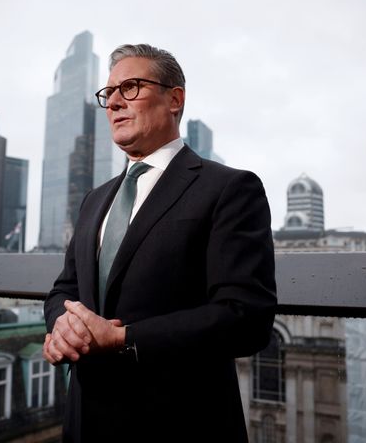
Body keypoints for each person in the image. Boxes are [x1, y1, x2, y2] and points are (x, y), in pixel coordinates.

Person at [43, 43, 277, 442]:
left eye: (130, 87)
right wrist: (61, 326)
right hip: (85, 423)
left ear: (175, 99)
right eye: (109, 93)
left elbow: (246, 318)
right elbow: (65, 289)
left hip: (179, 423)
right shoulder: (94, 200)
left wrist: (123, 338)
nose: (114, 102)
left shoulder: (229, 189)